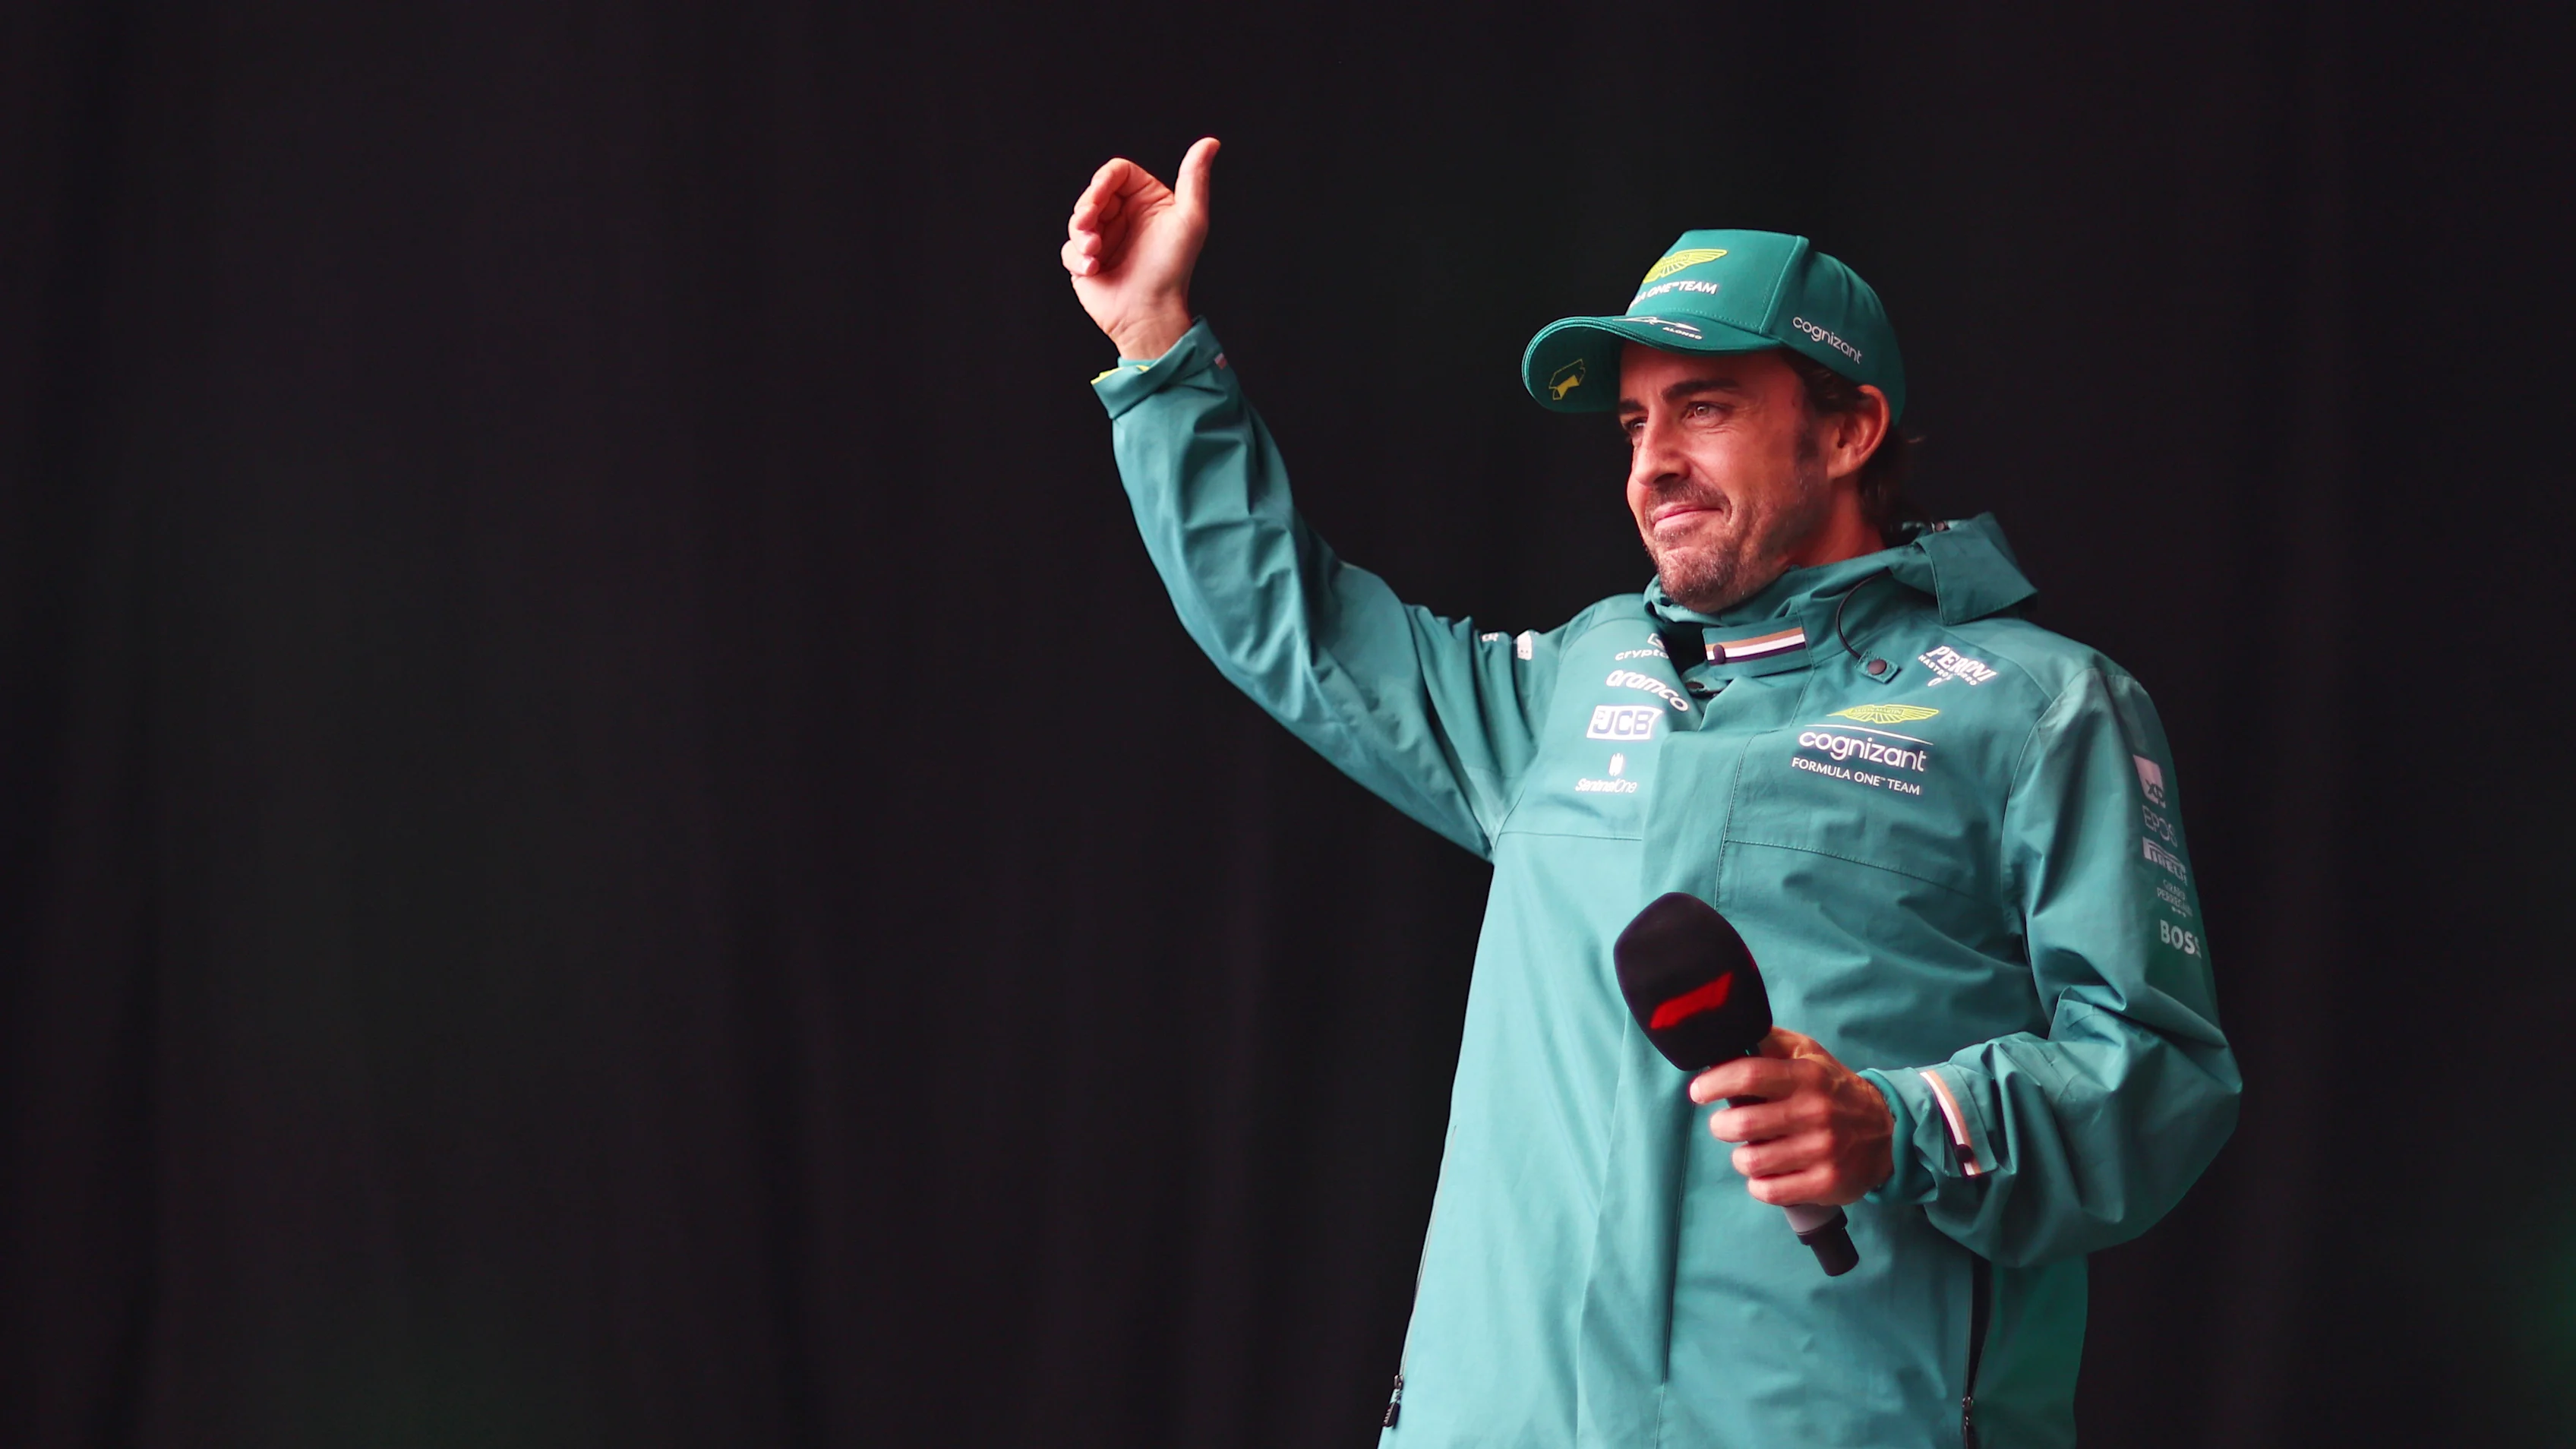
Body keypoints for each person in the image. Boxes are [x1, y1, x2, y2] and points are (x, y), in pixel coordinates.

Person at [1062, 138, 2240, 1449]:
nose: (1652, 462)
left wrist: (1900, 1123)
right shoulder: (1576, 682)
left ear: (1849, 430)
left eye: (1706, 409)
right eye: (1634, 423)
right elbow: (1297, 623)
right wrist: (1156, 349)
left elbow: (2159, 1080)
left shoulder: (2039, 706)